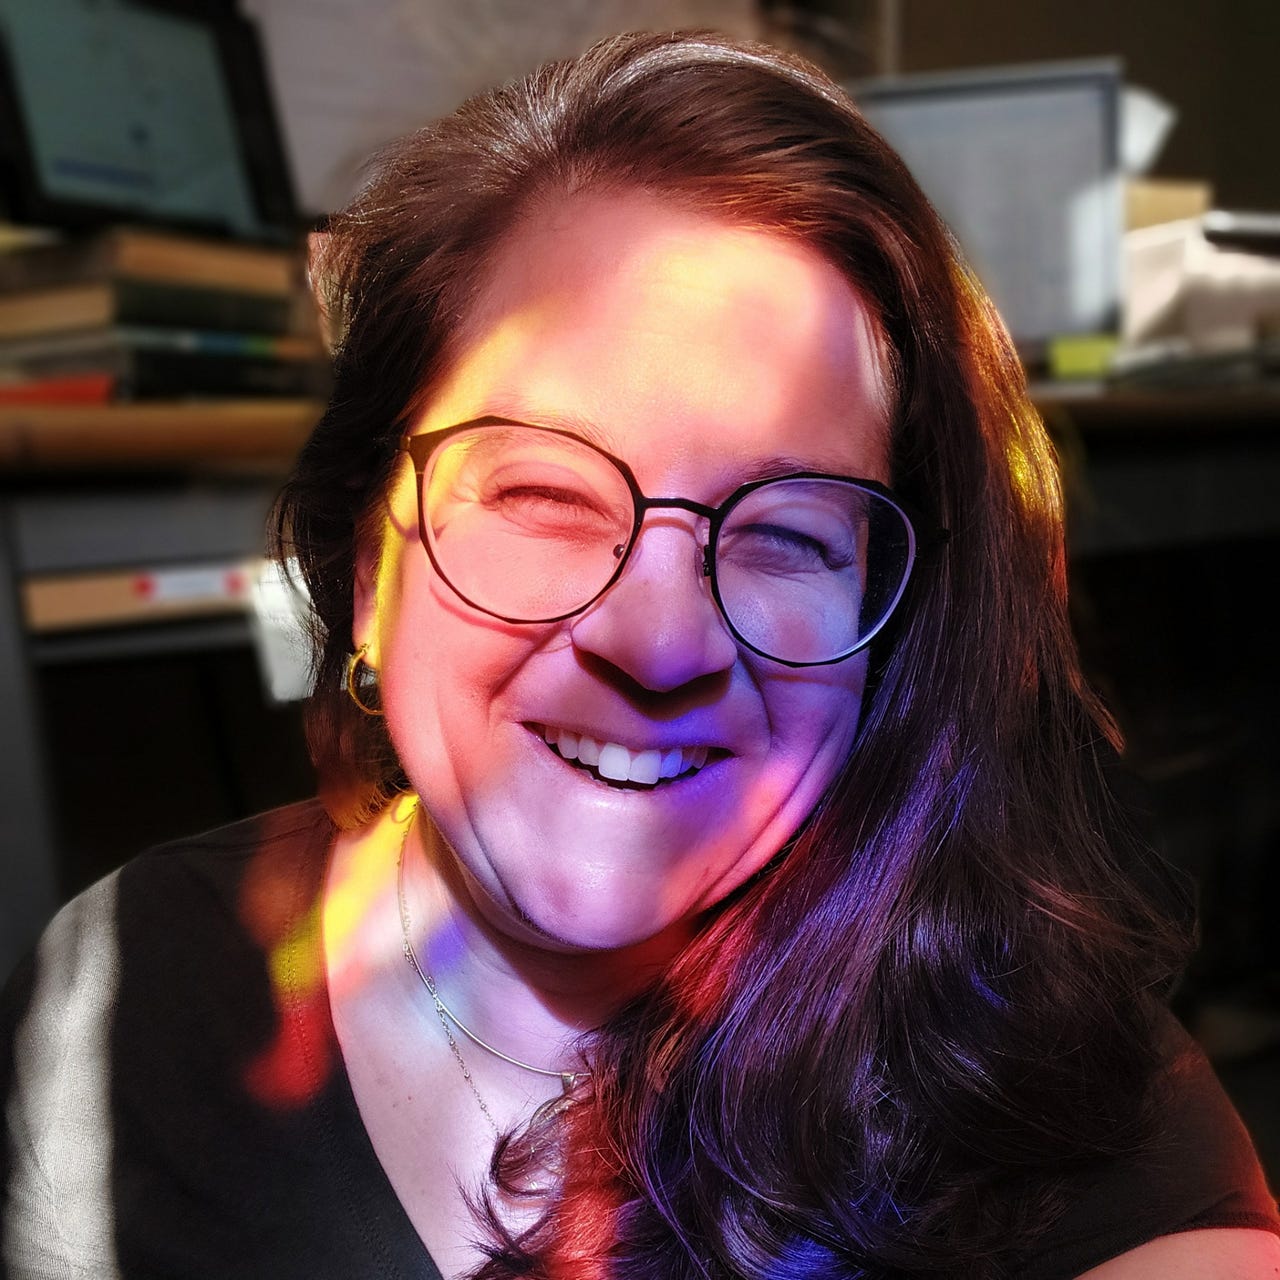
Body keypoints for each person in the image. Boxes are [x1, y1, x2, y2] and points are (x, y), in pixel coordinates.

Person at [2, 28, 1278, 1280]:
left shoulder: (1046, 1090)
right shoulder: (122, 991)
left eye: (786, 533)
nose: (660, 640)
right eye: (541, 493)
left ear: (892, 623)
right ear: (366, 568)